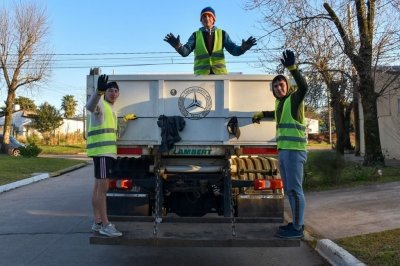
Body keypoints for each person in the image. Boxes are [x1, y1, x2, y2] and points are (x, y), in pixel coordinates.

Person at [252, 50, 308, 239]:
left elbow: (304, 86)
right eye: (275, 86)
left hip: (294, 151)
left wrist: (292, 69)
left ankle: (298, 228)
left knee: (295, 189)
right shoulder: (280, 104)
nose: (278, 88)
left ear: (287, 86)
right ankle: (295, 223)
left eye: (281, 84)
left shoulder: (294, 99)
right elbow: (274, 113)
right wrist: (261, 114)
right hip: (284, 151)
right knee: (289, 190)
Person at [164, 6, 257, 75]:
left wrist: (243, 48)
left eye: (209, 16)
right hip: (201, 76)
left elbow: (234, 50)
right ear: (201, 20)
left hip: (220, 76)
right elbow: (185, 52)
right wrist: (178, 46)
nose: (207, 18)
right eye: (204, 17)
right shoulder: (195, 35)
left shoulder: (222, 34)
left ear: (213, 19)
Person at [86, 74, 122, 237]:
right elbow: (89, 106)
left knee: (97, 188)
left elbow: (114, 135)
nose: (113, 93)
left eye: (116, 91)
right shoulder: (100, 103)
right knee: (103, 188)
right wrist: (98, 92)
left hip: (105, 153)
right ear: (105, 93)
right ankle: (105, 225)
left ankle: (97, 222)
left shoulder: (112, 110)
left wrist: (124, 123)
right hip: (102, 153)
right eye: (110, 90)